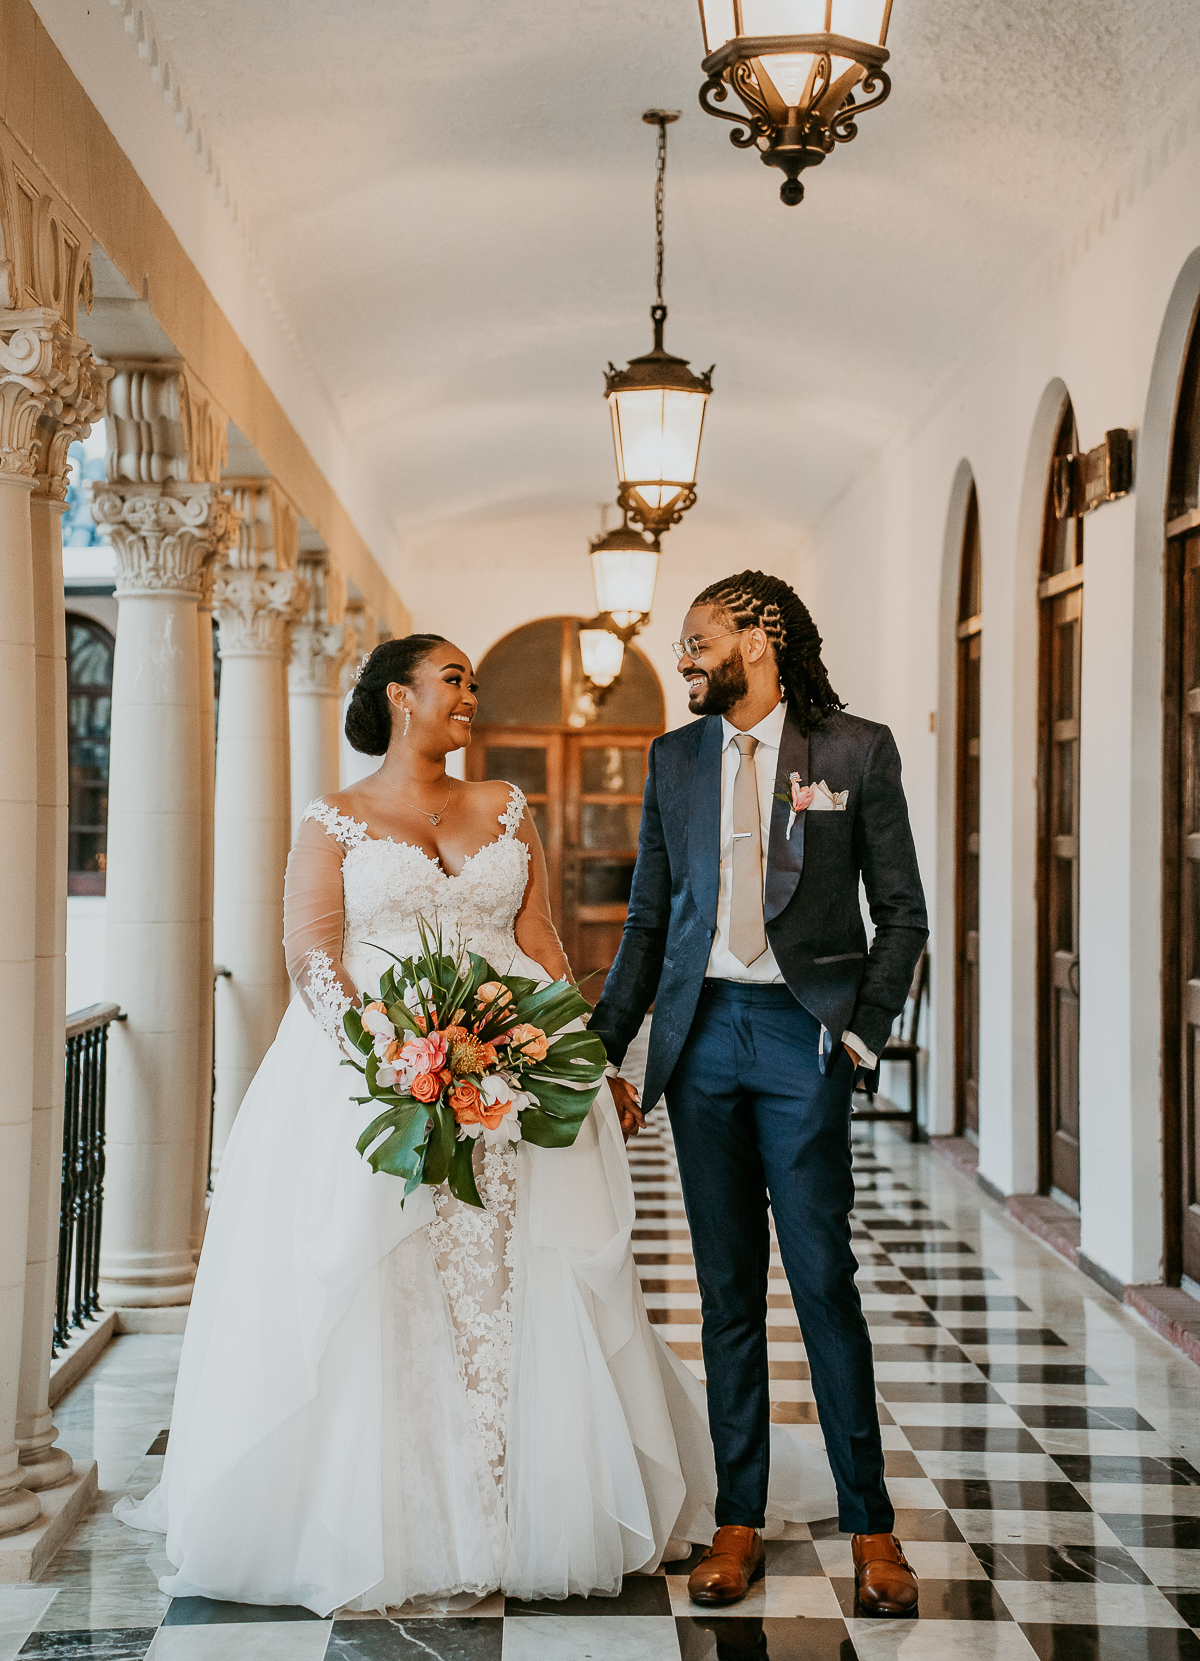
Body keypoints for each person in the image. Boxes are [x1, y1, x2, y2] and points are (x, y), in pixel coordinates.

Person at [115, 632, 836, 1613]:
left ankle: (526, 1496)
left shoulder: (505, 806)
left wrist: (588, 1056)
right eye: (454, 679)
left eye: (471, 681)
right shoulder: (333, 819)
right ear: (399, 697)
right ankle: (408, 1514)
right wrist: (386, 1053)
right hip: (372, 1078)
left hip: (517, 1071)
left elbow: (538, 940)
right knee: (388, 1281)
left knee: (520, 1277)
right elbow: (312, 956)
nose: (471, 695)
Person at [589, 572, 929, 1618]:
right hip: (699, 1049)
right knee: (727, 1292)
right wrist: (607, 1051)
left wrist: (861, 1034)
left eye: (697, 640)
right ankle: (737, 1521)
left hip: (802, 1039)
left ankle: (871, 1525)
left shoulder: (854, 750)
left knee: (823, 1279)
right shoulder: (675, 759)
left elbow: (904, 913)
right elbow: (651, 921)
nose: (683, 658)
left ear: (759, 635)